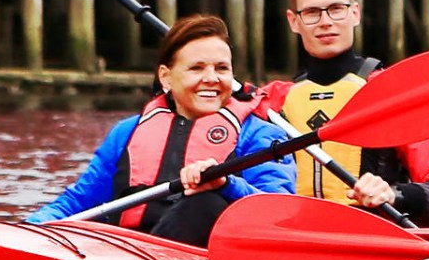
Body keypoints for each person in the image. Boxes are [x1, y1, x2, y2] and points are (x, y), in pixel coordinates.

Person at [28, 14, 293, 246]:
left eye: (222, 68)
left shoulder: (262, 136)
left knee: (205, 204)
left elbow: (278, 213)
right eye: (197, 68)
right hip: (126, 256)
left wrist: (226, 185)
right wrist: (21, 232)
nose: (212, 78)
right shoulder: (127, 132)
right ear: (166, 77)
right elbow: (78, 203)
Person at [278, 0, 429, 227]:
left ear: (355, 13)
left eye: (336, 9)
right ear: (293, 21)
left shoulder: (395, 95)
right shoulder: (275, 100)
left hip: (375, 231)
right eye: (311, 12)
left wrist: (394, 195)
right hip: (298, 234)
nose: (325, 22)